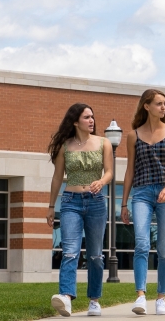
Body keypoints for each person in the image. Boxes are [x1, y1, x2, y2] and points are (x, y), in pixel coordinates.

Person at [46, 103, 114, 317]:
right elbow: (57, 177)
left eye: (92, 116)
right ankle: (66, 297)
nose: (91, 120)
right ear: (75, 121)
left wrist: (101, 181)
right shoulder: (65, 146)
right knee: (69, 251)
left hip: (96, 202)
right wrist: (50, 207)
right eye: (86, 117)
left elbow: (110, 172)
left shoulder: (104, 143)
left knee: (95, 255)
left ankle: (94, 300)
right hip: (70, 202)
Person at [121, 89, 165, 316]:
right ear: (146, 106)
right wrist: (124, 203)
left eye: (164, 104)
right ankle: (140, 296)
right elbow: (129, 171)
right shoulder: (133, 136)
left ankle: (161, 298)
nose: (163, 107)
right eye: (158, 103)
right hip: (142, 194)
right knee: (142, 244)